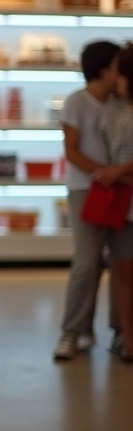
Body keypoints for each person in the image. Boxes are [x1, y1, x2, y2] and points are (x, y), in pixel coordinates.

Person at [54, 40, 123, 361]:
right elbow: (71, 151)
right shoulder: (76, 103)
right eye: (117, 65)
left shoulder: (120, 102)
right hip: (86, 189)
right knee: (87, 262)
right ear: (104, 68)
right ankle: (73, 330)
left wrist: (115, 174)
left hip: (121, 189)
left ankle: (121, 331)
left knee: (121, 263)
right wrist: (103, 172)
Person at [94, 45, 133, 364]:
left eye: (120, 74)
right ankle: (127, 338)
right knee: (122, 270)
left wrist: (121, 170)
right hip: (122, 201)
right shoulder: (113, 109)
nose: (115, 80)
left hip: (123, 192)